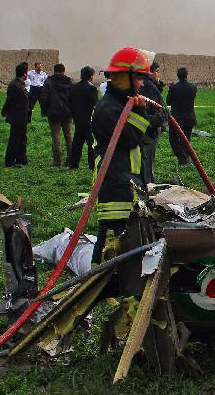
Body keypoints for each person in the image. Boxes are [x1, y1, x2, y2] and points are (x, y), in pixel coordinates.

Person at [90, 46, 153, 265]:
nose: (142, 83)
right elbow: (129, 138)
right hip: (114, 181)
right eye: (139, 78)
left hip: (128, 181)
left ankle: (112, 282)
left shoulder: (120, 104)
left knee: (125, 238)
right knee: (111, 238)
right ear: (123, 77)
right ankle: (99, 282)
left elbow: (144, 138)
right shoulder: (108, 109)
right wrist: (140, 112)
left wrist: (149, 120)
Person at [40, 63, 74, 167]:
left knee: (56, 137)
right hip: (67, 113)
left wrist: (45, 111)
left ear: (54, 71)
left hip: (53, 113)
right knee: (69, 137)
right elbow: (74, 97)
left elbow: (44, 98)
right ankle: (71, 160)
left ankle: (57, 161)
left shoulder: (49, 81)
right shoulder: (69, 81)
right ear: (64, 71)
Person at [138, 62, 167, 184]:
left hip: (148, 130)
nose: (159, 74)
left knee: (147, 161)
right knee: (147, 162)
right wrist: (158, 123)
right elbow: (151, 110)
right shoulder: (148, 87)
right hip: (149, 133)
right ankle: (148, 186)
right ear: (151, 72)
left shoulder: (149, 85)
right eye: (158, 71)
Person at [68, 66, 99, 170]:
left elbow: (70, 103)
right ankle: (92, 165)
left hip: (77, 119)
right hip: (89, 120)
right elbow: (95, 105)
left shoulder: (74, 87)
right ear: (91, 76)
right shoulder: (92, 88)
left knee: (77, 142)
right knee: (91, 144)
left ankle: (74, 164)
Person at [166, 67, 197, 166]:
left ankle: (183, 159)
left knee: (173, 140)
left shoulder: (173, 88)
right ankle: (186, 158)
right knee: (186, 140)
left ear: (177, 76)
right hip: (189, 117)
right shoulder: (193, 88)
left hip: (176, 118)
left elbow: (168, 101)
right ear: (187, 76)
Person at [2, 62, 30, 167]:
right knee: (14, 139)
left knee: (22, 138)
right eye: (27, 72)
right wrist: (4, 111)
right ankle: (9, 161)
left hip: (22, 117)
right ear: (24, 74)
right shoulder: (15, 85)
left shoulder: (20, 84)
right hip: (17, 117)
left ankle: (21, 158)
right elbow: (9, 101)